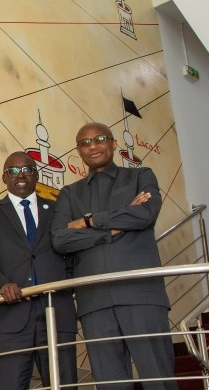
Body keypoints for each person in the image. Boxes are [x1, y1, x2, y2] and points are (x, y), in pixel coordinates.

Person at [51, 123, 175, 389]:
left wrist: (87, 221)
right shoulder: (69, 193)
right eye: (85, 143)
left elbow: (145, 214)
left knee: (159, 380)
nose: (93, 146)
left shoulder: (141, 176)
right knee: (110, 385)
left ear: (113, 143)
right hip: (93, 301)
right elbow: (60, 239)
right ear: (78, 150)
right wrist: (115, 226)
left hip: (141, 295)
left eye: (99, 139)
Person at [0, 151, 77, 389]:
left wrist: (62, 282)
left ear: (36, 175)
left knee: (65, 385)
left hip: (56, 312)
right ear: (4, 178)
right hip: (9, 318)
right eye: (13, 171)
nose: (21, 175)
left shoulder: (58, 210)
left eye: (27, 170)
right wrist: (0, 285)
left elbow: (72, 254)